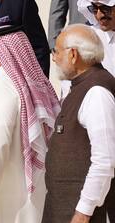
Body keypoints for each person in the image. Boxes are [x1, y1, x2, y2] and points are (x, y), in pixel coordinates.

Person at [0, 26, 60, 223]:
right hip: (20, 194)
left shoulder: (5, 92)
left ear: (0, 54)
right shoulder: (20, 89)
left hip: (3, 198)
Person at [42, 24, 115, 223]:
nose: (54, 58)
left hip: (82, 214)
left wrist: (83, 211)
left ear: (73, 54)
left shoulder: (96, 92)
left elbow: (105, 160)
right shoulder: (81, 86)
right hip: (63, 208)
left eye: (56, 51)